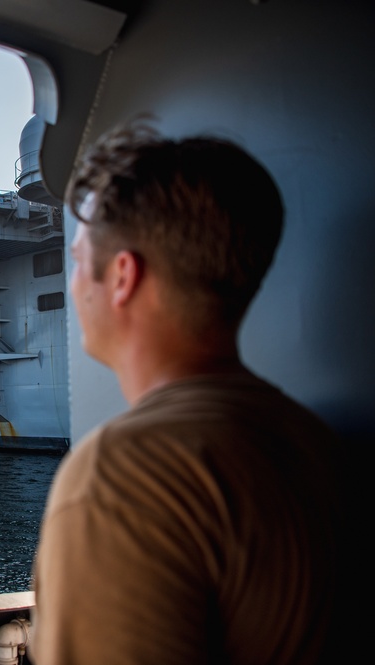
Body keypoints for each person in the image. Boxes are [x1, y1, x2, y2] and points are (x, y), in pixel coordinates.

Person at [30, 122, 348, 664]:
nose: (76, 283)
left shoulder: (123, 476)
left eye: (79, 261)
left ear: (124, 276)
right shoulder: (316, 442)